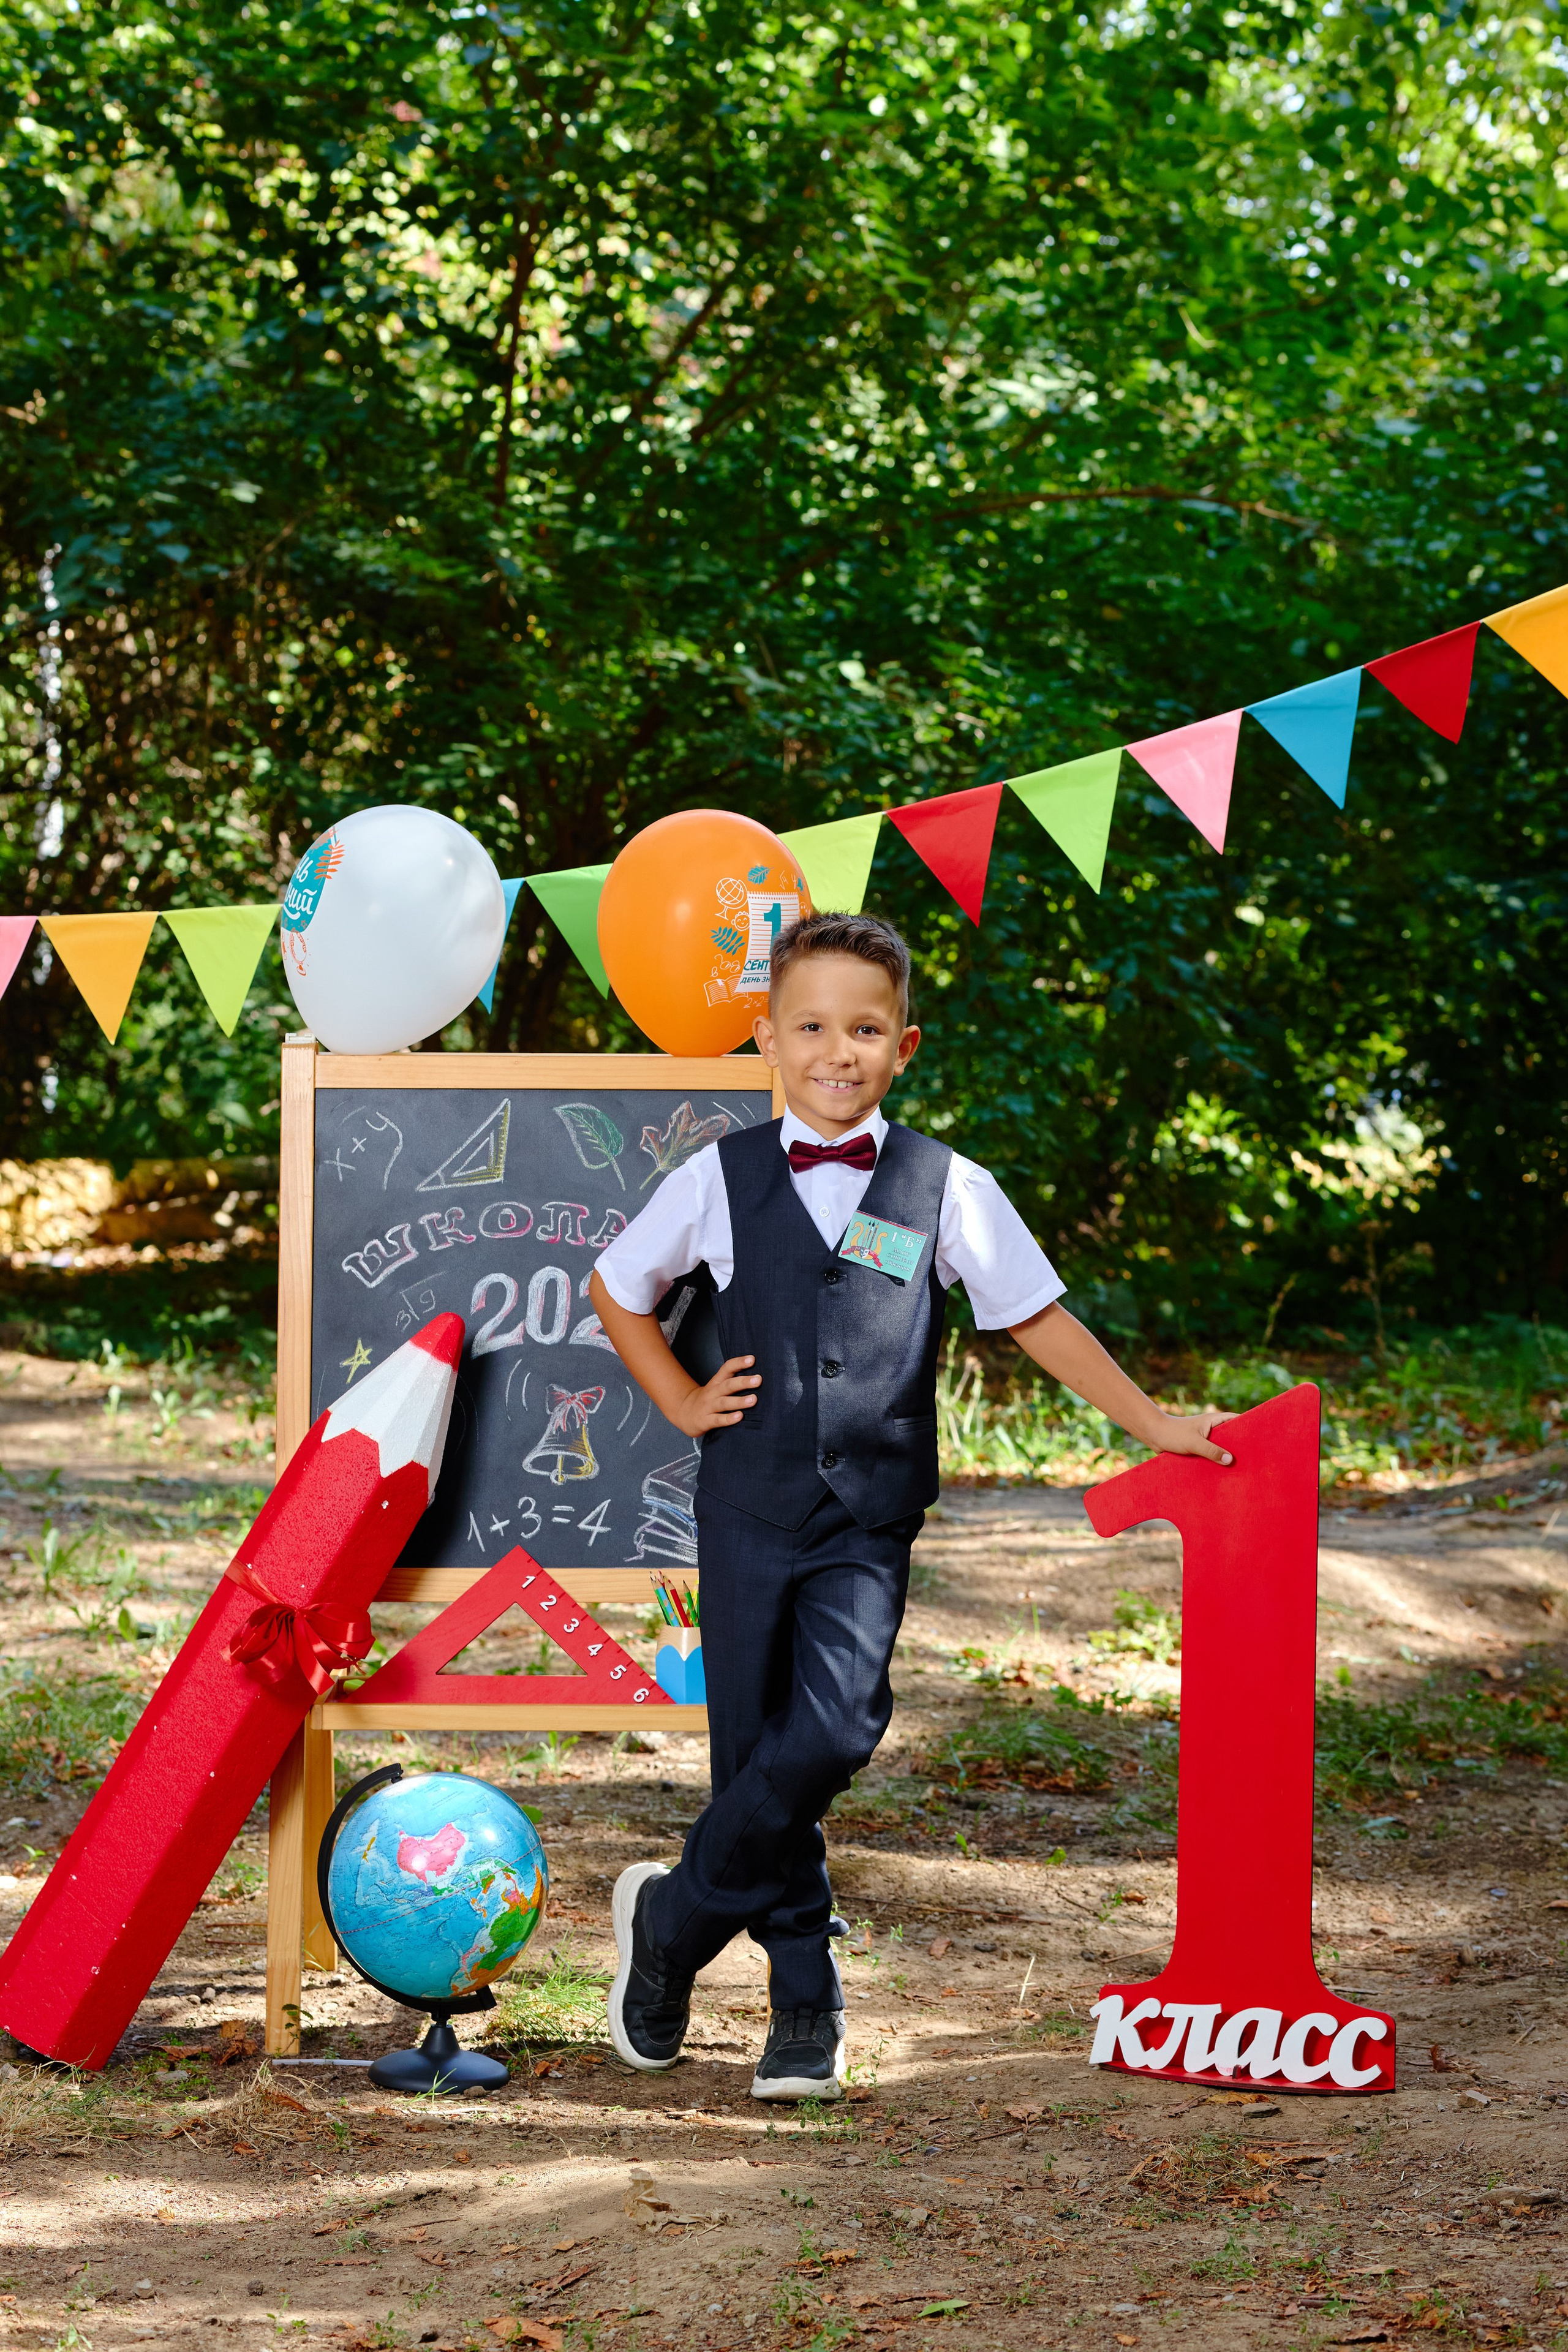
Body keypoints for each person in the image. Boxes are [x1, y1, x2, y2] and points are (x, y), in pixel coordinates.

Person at [587, 910, 1234, 2101]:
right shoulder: (717, 1179)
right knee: (750, 1752)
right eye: (813, 1028)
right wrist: (680, 1398)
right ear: (766, 1040)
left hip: (866, 1521)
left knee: (831, 1731)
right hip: (744, 1510)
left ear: (906, 1046)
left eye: (866, 1030)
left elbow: (1033, 1314)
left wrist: (1151, 1423)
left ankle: (672, 1920)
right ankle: (803, 2005)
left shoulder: (945, 1183)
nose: (839, 1052)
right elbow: (619, 1285)